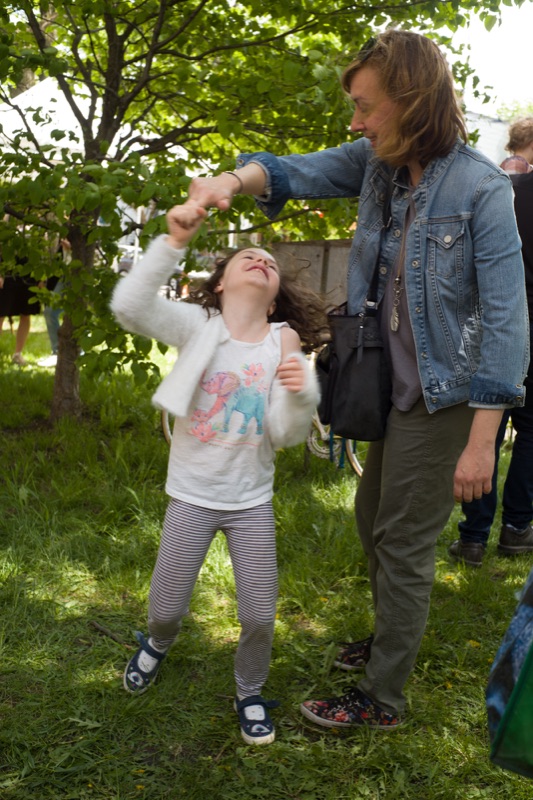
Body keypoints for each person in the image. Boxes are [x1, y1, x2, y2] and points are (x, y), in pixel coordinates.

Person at [186, 29, 529, 730]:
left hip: (448, 395)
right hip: (394, 389)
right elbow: (293, 171)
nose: (355, 123)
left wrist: (481, 442)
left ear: (410, 99)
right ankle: (390, 636)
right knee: (371, 519)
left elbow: (505, 318)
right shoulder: (376, 166)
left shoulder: (482, 189)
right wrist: (227, 182)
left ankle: (382, 698)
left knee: (402, 538)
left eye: (365, 107)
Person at [111, 201, 324, 745]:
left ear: (275, 294)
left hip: (251, 500)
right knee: (165, 608)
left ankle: (249, 690)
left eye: (268, 260)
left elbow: (284, 433)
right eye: (246, 256)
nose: (259, 260)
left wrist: (303, 395)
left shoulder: (285, 341)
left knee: (259, 615)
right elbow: (131, 308)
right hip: (192, 494)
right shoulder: (197, 324)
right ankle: (158, 642)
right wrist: (173, 243)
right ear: (222, 283)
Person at [449, 169, 533, 567]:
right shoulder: (506, 188)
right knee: (529, 434)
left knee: (489, 426)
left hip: (499, 324)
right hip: (504, 324)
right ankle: (516, 529)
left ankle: (473, 538)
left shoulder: (508, 190)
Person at [0, 264, 40, 366]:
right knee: (1, 314)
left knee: (26, 313)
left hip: (29, 274)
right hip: (7, 273)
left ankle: (17, 354)